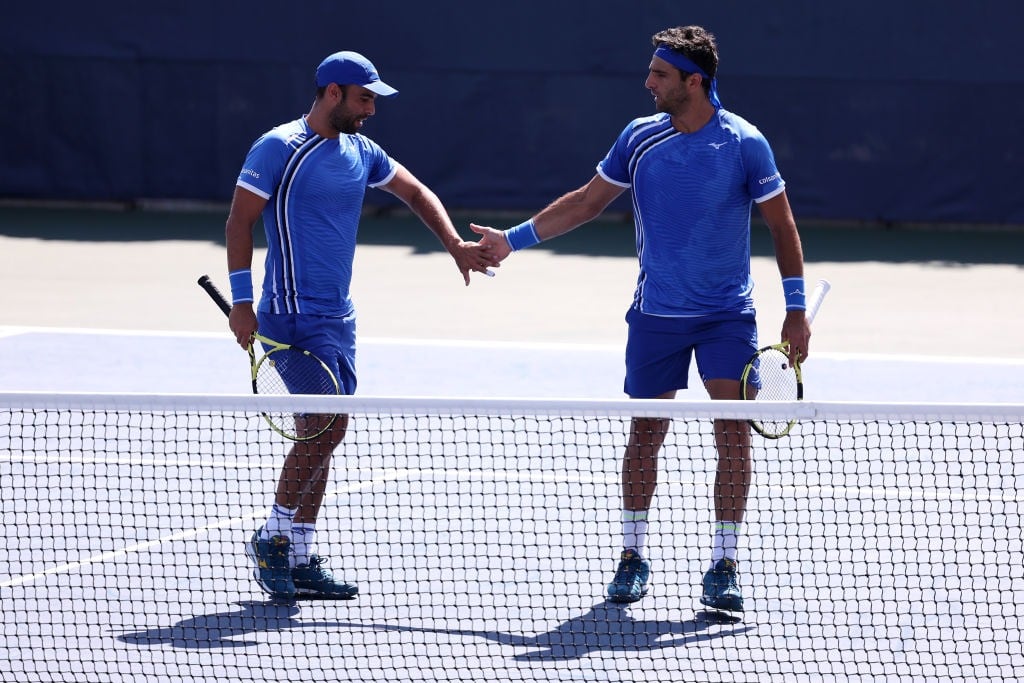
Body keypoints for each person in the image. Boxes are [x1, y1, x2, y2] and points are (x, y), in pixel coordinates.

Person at [471, 25, 810, 612]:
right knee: (644, 434)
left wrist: (797, 311)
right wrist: (511, 240)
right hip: (656, 316)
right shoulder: (639, 139)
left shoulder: (744, 143)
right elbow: (585, 201)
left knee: (731, 434)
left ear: (692, 81)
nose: (648, 81)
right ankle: (631, 555)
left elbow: (782, 225)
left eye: (659, 74)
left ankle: (724, 565)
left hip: (728, 317)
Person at [225, 51, 497, 600]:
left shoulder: (362, 151)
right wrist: (241, 302)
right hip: (288, 316)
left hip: (338, 320)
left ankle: (299, 553)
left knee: (319, 435)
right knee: (327, 425)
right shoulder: (278, 147)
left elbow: (417, 192)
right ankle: (273, 537)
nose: (371, 108)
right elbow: (239, 221)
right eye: (364, 97)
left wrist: (454, 248)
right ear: (332, 94)